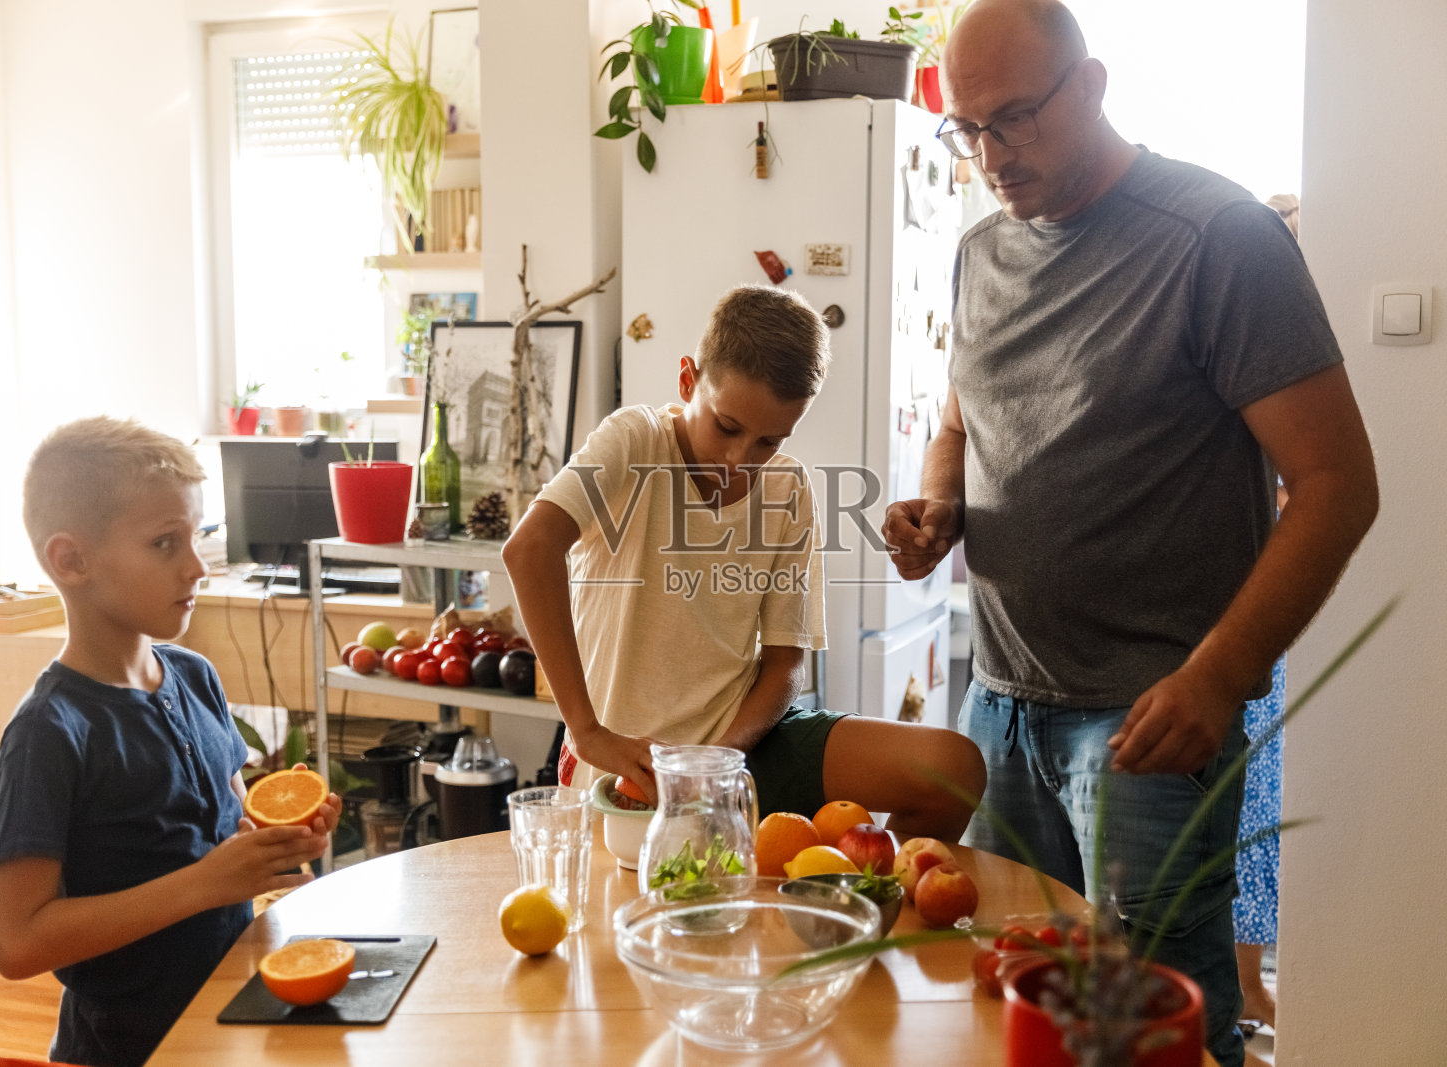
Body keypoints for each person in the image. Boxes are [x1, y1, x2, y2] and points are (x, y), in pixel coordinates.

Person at [880, 4, 1378, 1066]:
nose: (991, 157)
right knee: (1008, 1005)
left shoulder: (1215, 236)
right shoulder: (976, 252)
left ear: (1092, 86)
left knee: (1158, 1027)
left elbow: (1337, 483)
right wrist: (942, 505)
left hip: (1148, 725)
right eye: (965, 131)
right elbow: (961, 417)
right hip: (997, 703)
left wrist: (1221, 674)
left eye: (1013, 119)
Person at [503, 285, 986, 837]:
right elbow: (528, 550)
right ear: (688, 381)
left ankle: (874, 907)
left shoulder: (789, 489)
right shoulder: (633, 440)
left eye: (769, 441)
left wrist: (717, 766)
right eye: (727, 427)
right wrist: (586, 730)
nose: (740, 460)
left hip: (743, 742)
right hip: (629, 763)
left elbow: (785, 665)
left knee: (955, 768)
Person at [0, 417, 340, 1067]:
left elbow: (232, 835)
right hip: (126, 1048)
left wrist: (282, 841)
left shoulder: (195, 676)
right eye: (163, 542)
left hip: (228, 1014)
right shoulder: (48, 732)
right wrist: (204, 884)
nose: (197, 566)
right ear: (70, 560)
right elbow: (16, 941)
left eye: (197, 536)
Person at [1232, 191, 1304, 1038]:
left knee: (1263, 800)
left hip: (1268, 596)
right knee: (1251, 802)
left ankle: (1250, 986)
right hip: (1235, 597)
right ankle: (1247, 989)